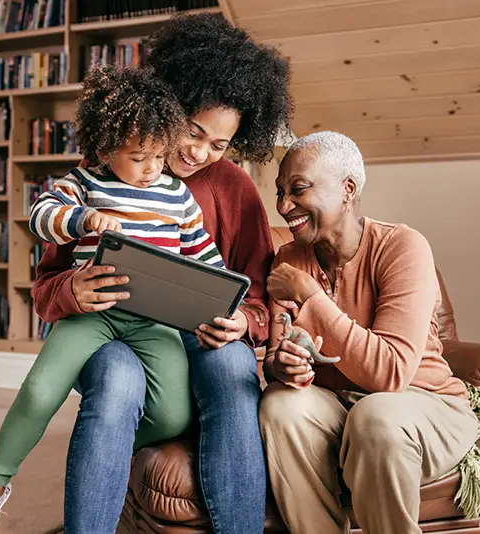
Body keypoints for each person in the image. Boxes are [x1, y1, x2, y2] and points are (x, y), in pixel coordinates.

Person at [31, 12, 293, 534]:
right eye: (194, 132)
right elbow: (47, 285)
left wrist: (245, 323)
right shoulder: (109, 167)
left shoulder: (234, 187)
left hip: (197, 334)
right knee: (116, 377)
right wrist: (74, 290)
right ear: (172, 104)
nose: (199, 152)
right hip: (113, 329)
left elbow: (257, 292)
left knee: (231, 369)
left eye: (219, 145)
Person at [0, 66, 226, 534]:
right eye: (139, 157)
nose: (152, 169)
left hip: (152, 321)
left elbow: (205, 257)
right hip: (92, 315)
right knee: (40, 391)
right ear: (105, 148)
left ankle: (101, 449)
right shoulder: (84, 181)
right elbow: (40, 215)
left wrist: (225, 302)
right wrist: (83, 220)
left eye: (160, 156)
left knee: (173, 413)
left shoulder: (178, 196)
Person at [260, 131, 480, 534]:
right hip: (337, 405)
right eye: (280, 192)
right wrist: (283, 367)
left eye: (298, 189)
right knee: (280, 404)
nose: (284, 205)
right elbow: (275, 358)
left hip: (423, 404)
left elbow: (390, 374)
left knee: (375, 415)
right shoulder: (289, 258)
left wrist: (312, 299)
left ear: (348, 189)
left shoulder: (403, 247)